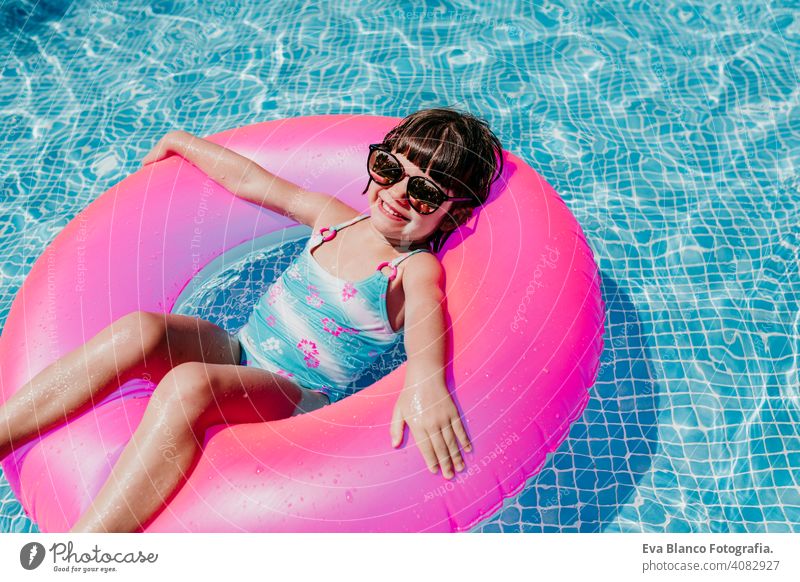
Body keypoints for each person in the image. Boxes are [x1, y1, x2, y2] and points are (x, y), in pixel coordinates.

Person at [0, 108, 504, 532]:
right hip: (239, 348)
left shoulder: (411, 267)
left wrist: (426, 383)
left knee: (189, 386)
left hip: (293, 393)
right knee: (142, 330)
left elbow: (427, 316)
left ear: (452, 216)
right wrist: (184, 142)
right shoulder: (335, 219)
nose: (396, 194)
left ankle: (84, 550)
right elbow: (256, 183)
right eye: (389, 169)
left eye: (425, 194)